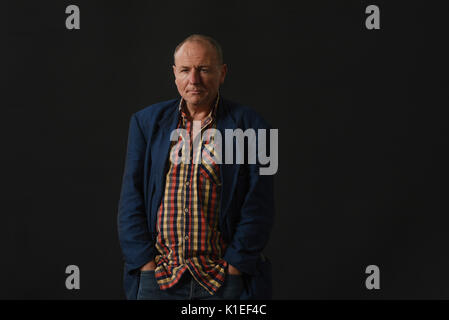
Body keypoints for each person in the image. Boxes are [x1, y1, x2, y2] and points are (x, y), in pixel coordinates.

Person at [117, 34, 275, 300]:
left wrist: (235, 267)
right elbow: (130, 200)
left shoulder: (254, 125)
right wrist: (145, 265)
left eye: (204, 69)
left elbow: (260, 205)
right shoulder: (144, 123)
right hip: (159, 278)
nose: (194, 80)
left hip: (224, 281)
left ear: (222, 73)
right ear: (174, 74)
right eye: (185, 70)